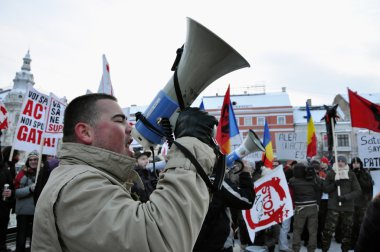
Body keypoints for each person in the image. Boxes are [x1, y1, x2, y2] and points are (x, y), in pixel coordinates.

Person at [32, 94, 219, 252]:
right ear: (85, 132)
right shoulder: (77, 186)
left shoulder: (87, 179)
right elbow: (159, 240)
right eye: (119, 120)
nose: (130, 127)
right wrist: (190, 147)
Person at [193, 159, 255, 252]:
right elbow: (247, 200)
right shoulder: (216, 182)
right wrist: (245, 173)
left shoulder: (182, 180)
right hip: (217, 246)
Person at [321, 155, 361, 252]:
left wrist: (345, 197)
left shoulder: (351, 174)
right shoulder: (331, 173)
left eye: (342, 161)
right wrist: (334, 184)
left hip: (347, 208)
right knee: (328, 231)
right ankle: (324, 249)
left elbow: (358, 191)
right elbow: (325, 189)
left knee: (347, 232)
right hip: (333, 207)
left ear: (345, 163)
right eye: (338, 161)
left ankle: (345, 250)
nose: (340, 163)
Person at [289, 162, 322, 252]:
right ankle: (311, 249)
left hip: (300, 207)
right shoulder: (311, 179)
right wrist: (314, 174)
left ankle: (296, 249)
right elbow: (319, 187)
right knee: (313, 231)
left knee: (297, 230)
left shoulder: (292, 181)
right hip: (312, 206)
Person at [14, 150, 40, 252]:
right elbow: (15, 192)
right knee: (21, 238)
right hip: (23, 212)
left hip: (36, 212)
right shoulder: (22, 173)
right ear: (28, 161)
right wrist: (30, 189)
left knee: (35, 239)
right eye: (31, 160)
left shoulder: (42, 173)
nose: (33, 161)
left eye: (35, 159)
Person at [349, 157, 374, 249]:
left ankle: (363, 242)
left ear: (360, 164)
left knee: (362, 224)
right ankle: (353, 243)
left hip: (362, 203)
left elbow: (367, 186)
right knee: (352, 224)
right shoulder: (348, 174)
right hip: (351, 203)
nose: (355, 164)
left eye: (357, 163)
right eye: (354, 163)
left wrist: (359, 175)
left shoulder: (365, 174)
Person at [0, 162, 14, 252]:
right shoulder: (5, 170)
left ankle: (2, 246)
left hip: (3, 205)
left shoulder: (5, 171)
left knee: (2, 228)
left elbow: (11, 187)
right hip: (4, 206)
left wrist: (9, 192)